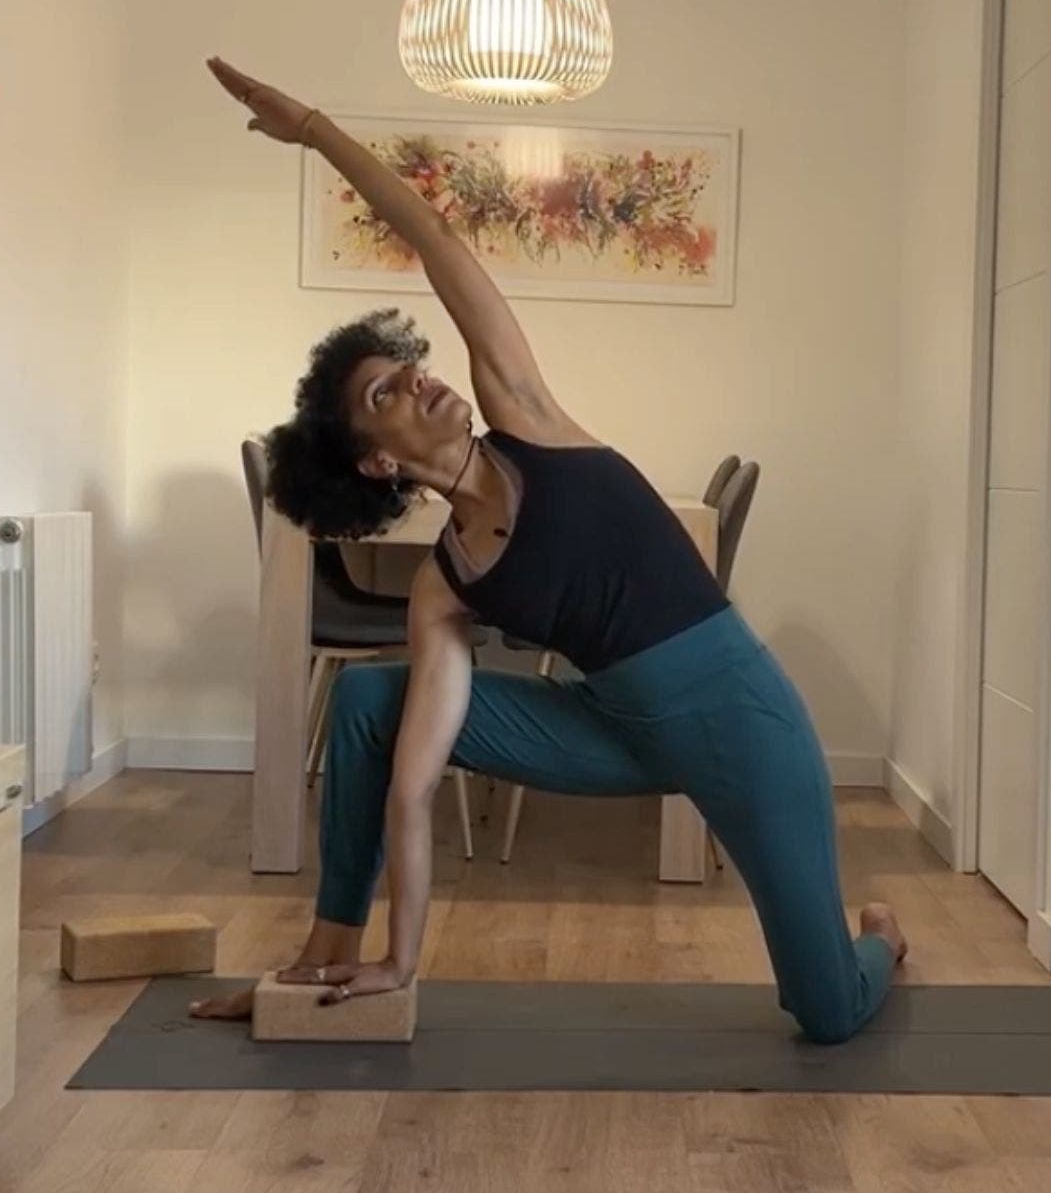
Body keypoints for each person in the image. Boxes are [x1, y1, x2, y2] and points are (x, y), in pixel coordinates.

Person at [189, 58, 904, 1043]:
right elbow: (411, 781)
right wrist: (405, 957)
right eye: (384, 395)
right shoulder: (442, 585)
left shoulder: (526, 415)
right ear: (371, 463)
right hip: (612, 732)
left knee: (826, 1012)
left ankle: (881, 943)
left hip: (742, 725)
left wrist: (315, 129)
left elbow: (435, 239)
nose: (419, 383)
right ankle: (330, 954)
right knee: (368, 701)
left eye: (408, 368)